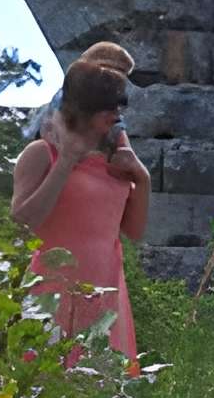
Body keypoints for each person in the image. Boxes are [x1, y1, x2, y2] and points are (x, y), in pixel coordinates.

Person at [10, 57, 150, 369]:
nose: (117, 116)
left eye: (119, 108)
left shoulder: (113, 164)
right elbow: (22, 221)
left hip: (107, 291)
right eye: (109, 107)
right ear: (84, 108)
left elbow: (135, 232)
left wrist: (142, 178)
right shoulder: (40, 153)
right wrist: (66, 161)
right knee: (50, 392)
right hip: (54, 290)